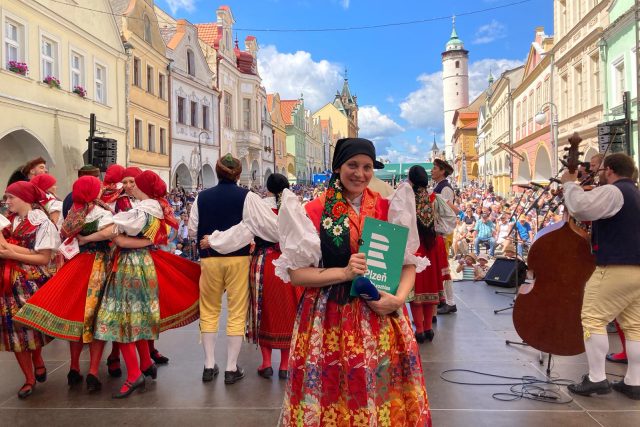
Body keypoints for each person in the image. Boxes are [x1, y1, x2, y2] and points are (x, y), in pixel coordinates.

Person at [274, 138, 431, 426]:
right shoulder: (314, 211)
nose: (360, 173)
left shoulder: (386, 208)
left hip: (381, 315)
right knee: (331, 391)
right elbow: (297, 274)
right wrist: (344, 273)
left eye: (367, 167)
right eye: (352, 165)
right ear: (337, 168)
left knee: (381, 389)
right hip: (329, 316)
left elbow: (408, 264)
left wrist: (398, 299)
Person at [93, 170, 200, 398]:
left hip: (130, 265)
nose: (129, 186)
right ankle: (144, 364)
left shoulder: (142, 210)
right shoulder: (153, 207)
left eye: (133, 183)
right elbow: (136, 236)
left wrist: (107, 236)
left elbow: (113, 230)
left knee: (118, 318)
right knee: (137, 317)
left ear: (141, 186)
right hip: (143, 262)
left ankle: (134, 374)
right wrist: (122, 238)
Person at [14, 176, 114, 392]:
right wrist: (89, 238)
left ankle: (74, 367)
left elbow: (63, 237)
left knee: (76, 316)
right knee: (97, 318)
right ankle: (94, 371)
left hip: (75, 265)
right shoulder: (102, 213)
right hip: (97, 266)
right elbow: (110, 232)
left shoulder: (71, 212)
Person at [206, 173, 302, 380]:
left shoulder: (258, 208)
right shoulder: (295, 209)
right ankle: (285, 365)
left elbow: (240, 233)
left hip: (264, 263)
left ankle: (266, 363)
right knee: (288, 311)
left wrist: (213, 240)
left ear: (267, 187)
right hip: (289, 264)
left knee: (262, 309)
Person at [562, 153, 640, 400]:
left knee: (593, 318)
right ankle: (634, 382)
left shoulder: (615, 192)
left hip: (615, 266)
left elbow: (581, 207)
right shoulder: (636, 193)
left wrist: (570, 183)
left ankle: (597, 378)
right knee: (635, 327)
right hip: (637, 269)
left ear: (609, 171)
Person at [189, 154, 252, 385]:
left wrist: (209, 243)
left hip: (209, 259)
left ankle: (208, 365)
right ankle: (230, 368)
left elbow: (193, 228)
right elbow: (251, 227)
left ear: (217, 172)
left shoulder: (201, 197)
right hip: (238, 259)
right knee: (236, 311)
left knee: (209, 309)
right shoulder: (247, 197)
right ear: (238, 174)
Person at [0, 181, 59, 398]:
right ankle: (28, 378)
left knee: (30, 327)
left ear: (24, 197)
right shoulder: (9, 221)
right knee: (13, 330)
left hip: (29, 280)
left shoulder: (42, 223)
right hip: (6, 281)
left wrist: (10, 253)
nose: (7, 202)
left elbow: (43, 258)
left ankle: (38, 359)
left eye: (10, 197)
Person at [407, 165, 446, 344]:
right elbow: (449, 218)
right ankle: (429, 328)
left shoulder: (407, 198)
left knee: (417, 290)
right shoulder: (434, 198)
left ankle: (420, 330)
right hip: (432, 245)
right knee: (430, 288)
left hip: (415, 246)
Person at [432, 159, 457, 315]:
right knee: (439, 267)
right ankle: (443, 299)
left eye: (435, 168)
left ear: (442, 171)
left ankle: (450, 301)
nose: (432, 170)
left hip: (443, 232)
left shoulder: (445, 188)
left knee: (444, 268)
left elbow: (447, 212)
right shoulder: (438, 186)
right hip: (440, 231)